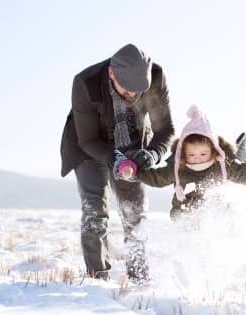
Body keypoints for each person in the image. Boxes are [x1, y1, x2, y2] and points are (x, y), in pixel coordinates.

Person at [113, 105, 246, 261]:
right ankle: (188, 268)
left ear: (213, 151)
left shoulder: (224, 166)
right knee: (190, 244)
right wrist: (133, 172)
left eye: (202, 154)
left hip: (215, 214)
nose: (197, 159)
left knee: (224, 217)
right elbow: (155, 177)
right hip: (185, 217)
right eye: (192, 155)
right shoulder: (177, 168)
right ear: (183, 154)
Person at [59, 43, 174, 283]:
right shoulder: (85, 83)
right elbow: (88, 139)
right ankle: (97, 279)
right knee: (94, 211)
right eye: (128, 89)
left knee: (135, 213)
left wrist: (153, 153)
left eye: (139, 90)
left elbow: (166, 129)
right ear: (111, 72)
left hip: (132, 144)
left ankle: (139, 280)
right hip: (89, 149)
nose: (134, 95)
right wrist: (113, 158)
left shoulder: (155, 77)